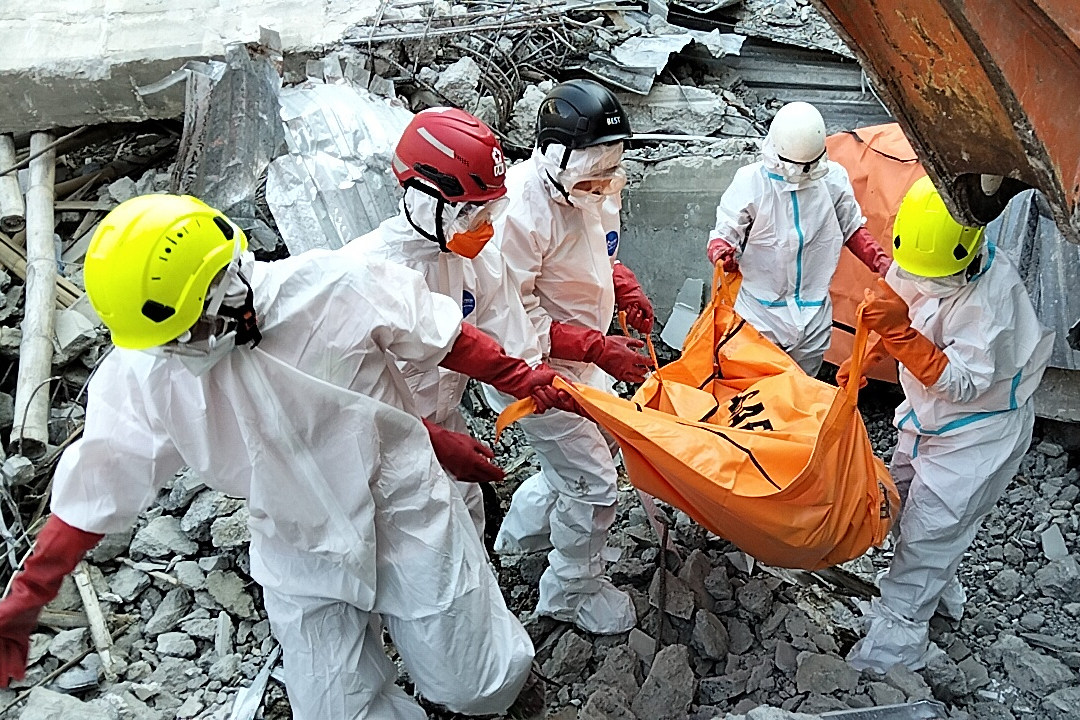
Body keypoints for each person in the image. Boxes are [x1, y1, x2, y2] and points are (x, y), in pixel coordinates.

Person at [0, 194, 563, 719]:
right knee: (336, 702)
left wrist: (524, 379)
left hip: (401, 505)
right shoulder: (149, 373)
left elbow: (442, 336)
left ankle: (508, 687)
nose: (182, 349)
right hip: (297, 536)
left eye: (190, 330)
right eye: (168, 339)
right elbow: (98, 487)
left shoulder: (332, 288)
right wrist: (27, 598)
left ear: (226, 284)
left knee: (471, 679)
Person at [842, 176, 1053, 672]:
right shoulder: (925, 253)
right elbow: (899, 292)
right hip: (927, 421)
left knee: (930, 532)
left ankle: (896, 644)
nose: (920, 282)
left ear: (969, 252)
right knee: (901, 503)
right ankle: (939, 592)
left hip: (977, 435)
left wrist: (898, 333)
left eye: (931, 276)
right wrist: (869, 351)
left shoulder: (994, 300)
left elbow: (960, 383)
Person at [344, 107, 579, 542]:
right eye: (471, 213)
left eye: (490, 210)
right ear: (422, 195)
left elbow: (509, 332)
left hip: (448, 428)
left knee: (467, 539)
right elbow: (343, 400)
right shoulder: (359, 276)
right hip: (377, 453)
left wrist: (535, 381)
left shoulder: (475, 261)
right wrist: (427, 441)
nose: (485, 227)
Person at [486, 79, 655, 635]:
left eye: (613, 167)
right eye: (597, 169)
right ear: (555, 155)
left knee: (602, 441)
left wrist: (624, 287)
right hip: (537, 372)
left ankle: (521, 536)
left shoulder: (594, 186)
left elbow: (599, 251)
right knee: (595, 483)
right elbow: (517, 320)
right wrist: (597, 347)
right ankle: (570, 590)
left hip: (582, 360)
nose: (607, 180)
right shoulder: (519, 213)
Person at [706, 101, 891, 376]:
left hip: (813, 311)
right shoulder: (752, 182)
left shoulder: (833, 180)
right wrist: (723, 252)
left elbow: (852, 228)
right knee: (755, 387)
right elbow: (725, 233)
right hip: (760, 311)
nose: (802, 175)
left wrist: (881, 262)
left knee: (802, 389)